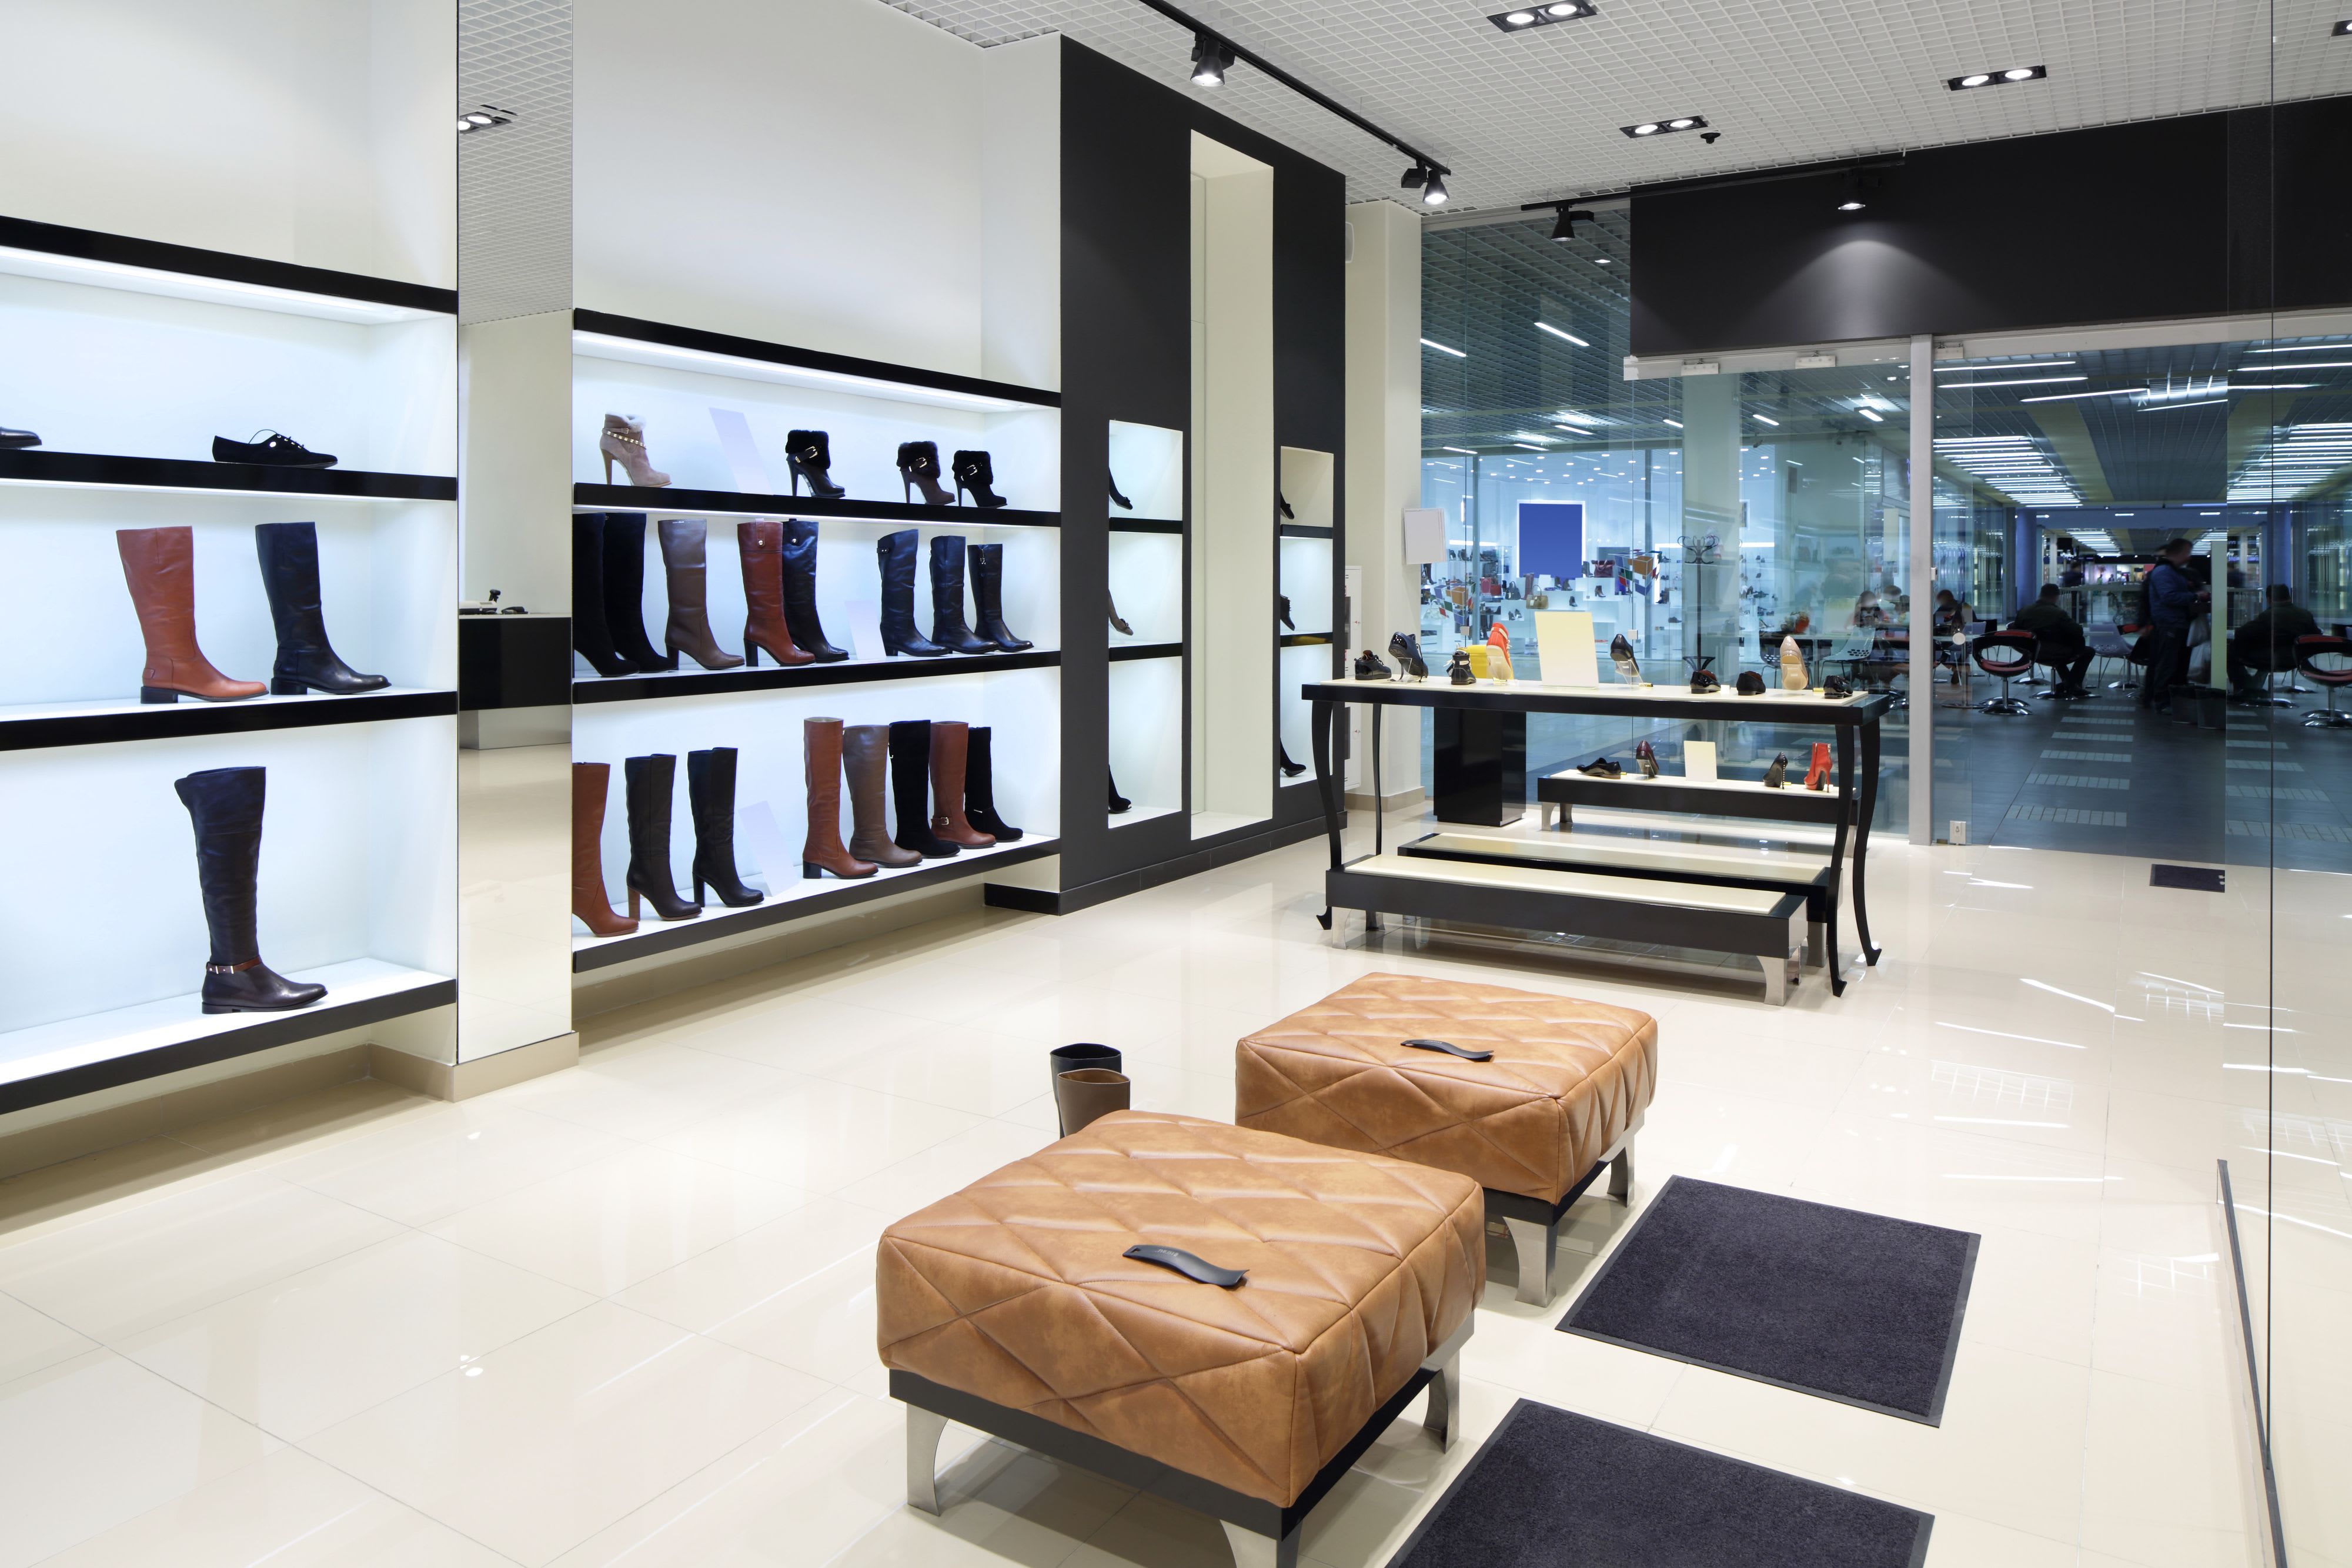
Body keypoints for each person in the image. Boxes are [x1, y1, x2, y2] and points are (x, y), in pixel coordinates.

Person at [2139, 539, 2209, 708]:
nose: (2189, 557)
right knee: (2168, 664)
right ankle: (2162, 701)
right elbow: (2168, 596)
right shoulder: (2165, 572)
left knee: (2173, 664)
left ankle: (2167, 700)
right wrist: (2196, 596)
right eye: (2187, 553)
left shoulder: (2174, 572)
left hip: (2173, 623)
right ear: (2179, 553)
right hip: (2169, 624)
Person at [2226, 583, 2321, 700]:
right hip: (2297, 660)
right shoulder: (2305, 615)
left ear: (2269, 599)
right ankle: (2252, 687)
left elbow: (2242, 633)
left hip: (2271, 658)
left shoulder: (2268, 616)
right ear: (2289, 597)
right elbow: (2316, 636)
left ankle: (2246, 688)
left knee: (2232, 651)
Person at [2009, 583, 2094, 698]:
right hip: (2054, 651)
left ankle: (2071, 686)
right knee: (2088, 652)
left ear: (2041, 594)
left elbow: (2016, 630)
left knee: (2057, 653)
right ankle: (2070, 685)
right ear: (2055, 597)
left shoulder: (2024, 611)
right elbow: (2078, 631)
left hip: (2030, 651)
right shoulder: (2058, 613)